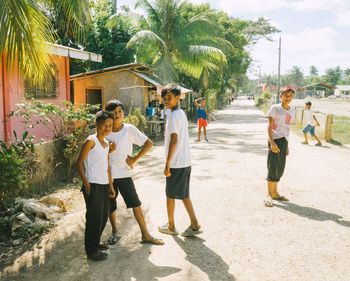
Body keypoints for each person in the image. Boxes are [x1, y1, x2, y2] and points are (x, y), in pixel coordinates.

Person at [105, 99, 164, 245]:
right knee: (110, 205)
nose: (117, 114)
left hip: (124, 174)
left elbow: (148, 143)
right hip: (108, 175)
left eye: (120, 111)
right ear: (108, 114)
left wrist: (134, 159)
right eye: (114, 112)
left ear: (123, 113)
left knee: (135, 203)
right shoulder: (105, 129)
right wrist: (107, 149)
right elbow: (97, 151)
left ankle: (145, 234)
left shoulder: (129, 129)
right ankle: (114, 232)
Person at [158, 84, 202, 237]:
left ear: (178, 98)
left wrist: (167, 164)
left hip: (176, 163)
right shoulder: (180, 113)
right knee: (183, 195)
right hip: (185, 161)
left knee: (170, 195)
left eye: (169, 97)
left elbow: (174, 140)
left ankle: (171, 226)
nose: (166, 100)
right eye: (164, 97)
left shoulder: (173, 116)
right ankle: (194, 223)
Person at [76, 110, 116, 261]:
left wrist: (111, 186)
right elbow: (79, 163)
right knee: (94, 218)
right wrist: (86, 184)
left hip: (104, 184)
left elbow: (106, 166)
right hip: (93, 185)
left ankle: (96, 242)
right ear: (96, 124)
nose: (108, 128)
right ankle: (91, 251)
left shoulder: (106, 144)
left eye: (110, 125)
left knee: (104, 215)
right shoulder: (91, 141)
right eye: (104, 125)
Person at [264, 87, 296, 208]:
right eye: (286, 96)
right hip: (275, 140)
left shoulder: (292, 110)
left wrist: (287, 145)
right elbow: (270, 126)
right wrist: (272, 142)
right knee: (273, 166)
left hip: (284, 140)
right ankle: (269, 194)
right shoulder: (275, 108)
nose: (288, 98)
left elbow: (287, 128)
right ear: (281, 96)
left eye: (290, 96)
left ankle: (275, 193)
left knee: (280, 167)